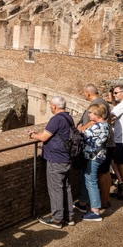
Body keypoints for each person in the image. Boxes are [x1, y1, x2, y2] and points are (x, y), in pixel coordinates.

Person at [28, 96, 74, 228]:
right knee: (66, 187)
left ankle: (57, 219)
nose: (50, 108)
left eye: (51, 106)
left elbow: (43, 137)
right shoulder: (68, 117)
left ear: (54, 106)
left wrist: (33, 135)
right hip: (66, 157)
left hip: (56, 159)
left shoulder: (56, 119)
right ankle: (69, 217)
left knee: (55, 189)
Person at [75, 103, 111, 221]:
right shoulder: (105, 125)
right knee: (87, 178)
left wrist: (81, 127)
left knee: (91, 181)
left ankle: (95, 211)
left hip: (93, 158)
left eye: (90, 113)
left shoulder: (97, 127)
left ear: (96, 114)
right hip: (97, 156)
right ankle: (83, 202)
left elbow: (79, 133)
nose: (88, 114)